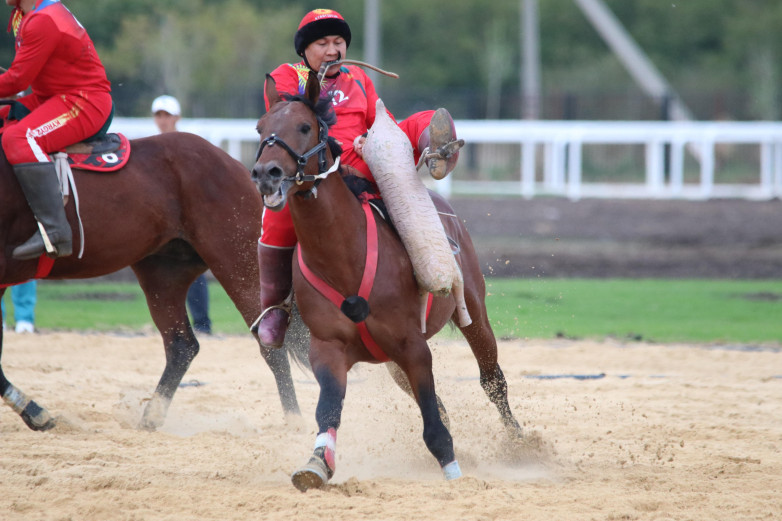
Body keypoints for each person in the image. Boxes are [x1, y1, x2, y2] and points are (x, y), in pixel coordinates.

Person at [256, 8, 463, 349]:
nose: (332, 50)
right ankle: (275, 308)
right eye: (322, 43)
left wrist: (376, 136)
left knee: (417, 122)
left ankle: (438, 151)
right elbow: (286, 114)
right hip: (314, 165)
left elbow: (379, 120)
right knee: (276, 220)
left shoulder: (359, 79)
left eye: (338, 42)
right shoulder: (286, 75)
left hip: (357, 160)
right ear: (305, 50)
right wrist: (318, 85)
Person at [0, 0, 113, 261]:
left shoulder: (42, 20)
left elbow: (18, 80)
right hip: (53, 97)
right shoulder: (25, 14)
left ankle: (55, 230)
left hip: (83, 101)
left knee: (19, 138)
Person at [151, 94, 212, 335]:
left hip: (187, 219)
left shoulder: (188, 146)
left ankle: (202, 325)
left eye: (167, 115)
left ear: (177, 118)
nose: (163, 120)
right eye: (159, 115)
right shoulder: (150, 147)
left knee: (193, 270)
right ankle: (171, 327)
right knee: (158, 272)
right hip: (160, 221)